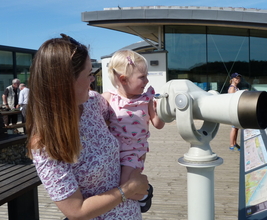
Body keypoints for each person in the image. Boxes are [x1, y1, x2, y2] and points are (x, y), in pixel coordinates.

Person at [26, 34, 149, 219]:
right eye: (89, 74)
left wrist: (138, 152)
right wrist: (129, 188)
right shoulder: (45, 144)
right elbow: (76, 211)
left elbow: (123, 122)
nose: (93, 80)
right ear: (65, 83)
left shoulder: (93, 102)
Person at [102, 50, 165, 213]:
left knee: (125, 186)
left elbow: (158, 124)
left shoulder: (146, 100)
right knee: (110, 183)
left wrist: (163, 111)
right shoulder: (109, 98)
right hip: (112, 152)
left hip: (134, 152)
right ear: (123, 79)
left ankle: (144, 194)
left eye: (146, 75)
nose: (147, 80)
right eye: (142, 77)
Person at [228, 73, 242, 151]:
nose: (238, 79)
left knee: (236, 128)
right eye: (236, 78)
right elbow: (231, 99)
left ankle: (234, 143)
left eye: (239, 78)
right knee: (234, 128)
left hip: (236, 109)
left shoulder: (236, 87)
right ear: (232, 79)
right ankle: (231, 144)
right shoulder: (232, 88)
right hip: (233, 110)